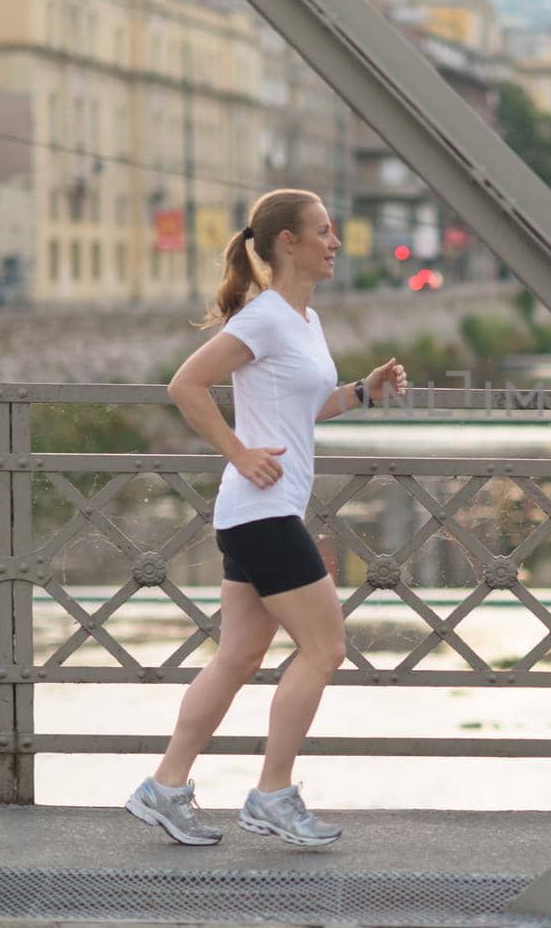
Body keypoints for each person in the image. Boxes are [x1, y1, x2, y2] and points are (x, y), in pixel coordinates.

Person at [125, 188, 407, 847]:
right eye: (324, 231)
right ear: (288, 243)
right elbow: (185, 385)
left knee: (238, 657)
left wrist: (365, 392)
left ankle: (164, 788)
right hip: (262, 509)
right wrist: (238, 451)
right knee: (325, 648)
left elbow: (301, 408)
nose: (335, 242)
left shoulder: (303, 322)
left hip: (258, 511)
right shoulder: (266, 318)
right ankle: (273, 795)